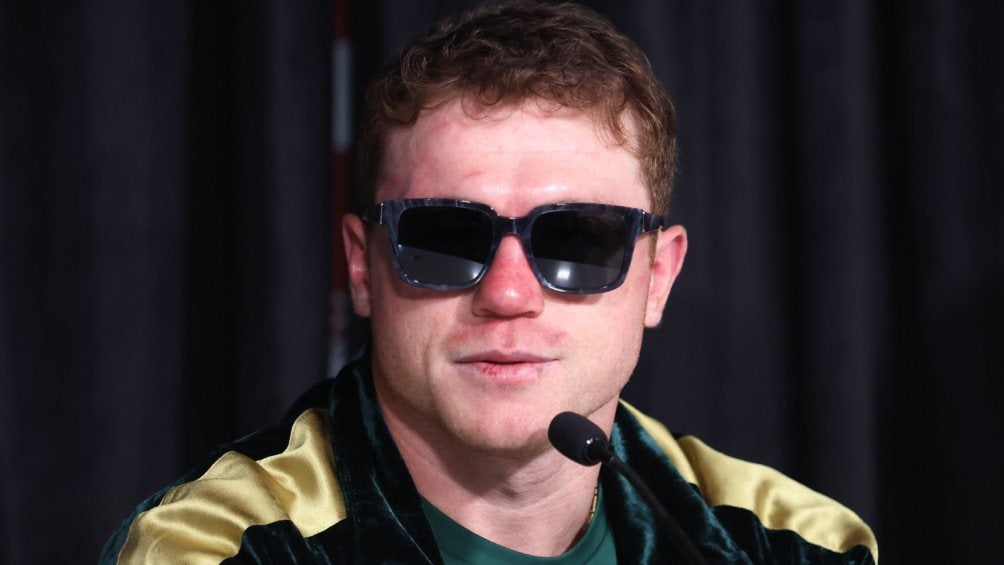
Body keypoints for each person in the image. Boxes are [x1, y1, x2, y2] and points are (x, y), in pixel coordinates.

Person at [101, 1, 878, 563]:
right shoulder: (222, 547)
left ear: (658, 276)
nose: (508, 294)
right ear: (362, 266)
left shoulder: (793, 542)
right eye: (445, 237)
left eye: (576, 241)